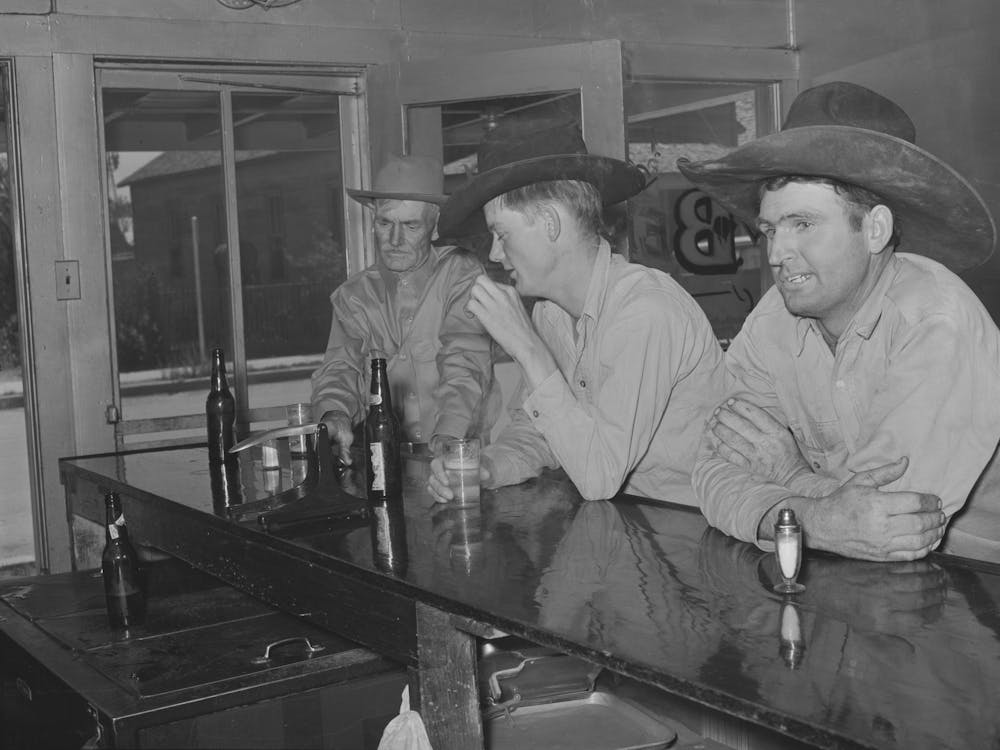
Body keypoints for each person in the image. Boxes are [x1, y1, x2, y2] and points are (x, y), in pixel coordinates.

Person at [678, 81, 1000, 562]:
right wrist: (819, 518)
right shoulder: (773, 320)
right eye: (770, 228)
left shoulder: (935, 319)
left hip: (974, 591)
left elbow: (889, 525)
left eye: (802, 225)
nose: (776, 253)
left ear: (875, 230)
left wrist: (788, 480)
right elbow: (711, 471)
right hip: (845, 580)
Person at [426, 118, 726, 503]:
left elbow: (599, 477)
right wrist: (488, 468)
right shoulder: (549, 315)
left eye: (501, 235)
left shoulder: (646, 310)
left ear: (550, 223)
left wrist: (527, 349)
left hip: (692, 537)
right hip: (623, 530)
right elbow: (537, 429)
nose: (494, 255)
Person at [311, 154, 498, 460]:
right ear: (373, 217)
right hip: (379, 462)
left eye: (411, 226)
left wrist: (449, 437)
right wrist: (334, 414)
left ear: (435, 226)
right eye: (385, 223)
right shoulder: (353, 296)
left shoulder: (460, 275)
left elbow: (465, 363)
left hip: (454, 457)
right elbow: (339, 369)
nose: (395, 240)